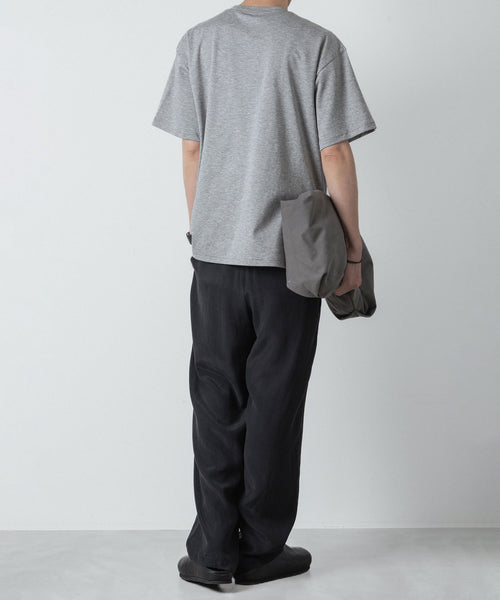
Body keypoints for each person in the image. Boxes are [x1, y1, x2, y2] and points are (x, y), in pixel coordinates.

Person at [152, 0, 377, 587]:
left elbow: (191, 148)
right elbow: (335, 153)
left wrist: (206, 230)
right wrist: (352, 252)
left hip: (214, 258)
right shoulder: (317, 44)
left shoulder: (199, 41)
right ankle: (259, 550)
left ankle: (211, 552)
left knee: (216, 400)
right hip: (292, 261)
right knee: (275, 404)